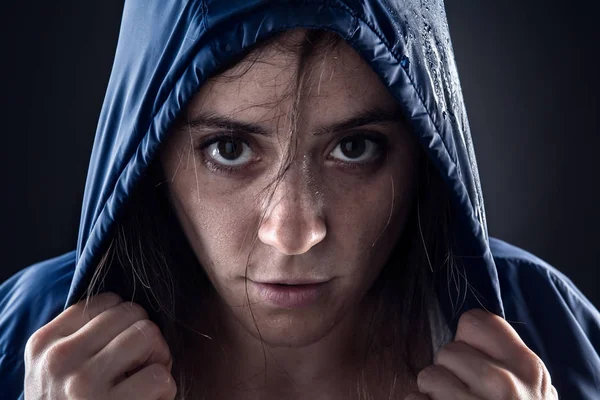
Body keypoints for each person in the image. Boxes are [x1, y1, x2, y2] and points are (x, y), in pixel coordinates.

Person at [1, 1, 599, 399]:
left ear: (425, 151)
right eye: (229, 149)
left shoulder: (548, 330)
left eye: (357, 147)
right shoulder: (24, 332)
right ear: (150, 149)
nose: (293, 232)